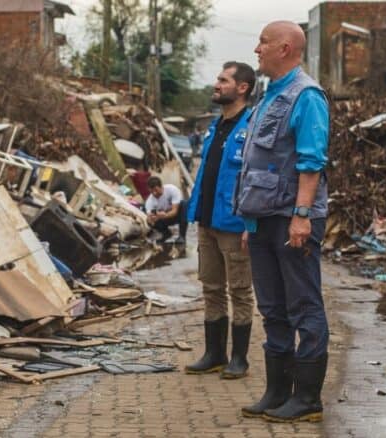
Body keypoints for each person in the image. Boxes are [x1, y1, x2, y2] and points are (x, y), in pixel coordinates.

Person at [234, 21, 331, 423]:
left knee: (303, 306)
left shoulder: (305, 96)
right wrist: (249, 223)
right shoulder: (267, 97)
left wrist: (302, 216)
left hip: (293, 219)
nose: (257, 49)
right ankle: (277, 391)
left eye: (264, 42)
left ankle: (307, 397)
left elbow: (311, 162)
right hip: (263, 219)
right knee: (272, 308)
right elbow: (257, 166)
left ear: (286, 47)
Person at [183, 62, 257, 379]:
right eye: (217, 78)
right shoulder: (216, 126)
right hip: (207, 220)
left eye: (223, 80)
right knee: (211, 288)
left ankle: (238, 359)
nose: (216, 84)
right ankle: (214, 353)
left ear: (242, 87)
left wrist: (250, 223)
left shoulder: (252, 126)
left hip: (234, 223)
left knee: (240, 291)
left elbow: (256, 177)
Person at [145, 176, 187, 244]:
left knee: (184, 204)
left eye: (156, 190)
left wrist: (165, 215)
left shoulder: (172, 189)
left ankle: (182, 236)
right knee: (148, 221)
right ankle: (166, 234)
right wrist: (153, 218)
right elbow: (150, 217)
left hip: (176, 215)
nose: (154, 193)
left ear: (161, 186)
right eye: (151, 191)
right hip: (164, 218)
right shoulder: (149, 201)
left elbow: (175, 211)